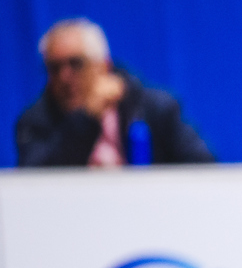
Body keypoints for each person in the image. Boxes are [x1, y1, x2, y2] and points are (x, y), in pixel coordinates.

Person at [14, 18, 215, 168]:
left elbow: (203, 168)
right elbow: (36, 182)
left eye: (76, 64)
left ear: (103, 66)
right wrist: (86, 118)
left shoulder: (153, 108)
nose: (65, 77)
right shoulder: (35, 121)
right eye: (54, 67)